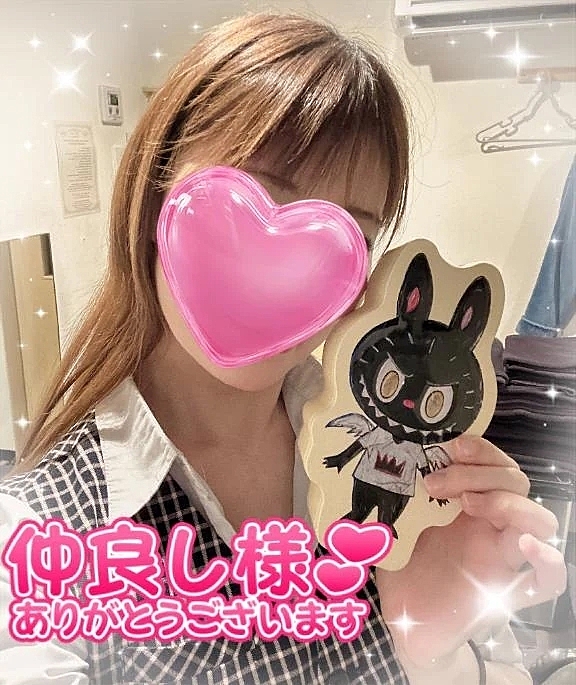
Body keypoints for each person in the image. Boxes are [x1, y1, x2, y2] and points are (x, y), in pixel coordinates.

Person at [0, 13, 566, 685]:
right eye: (256, 192)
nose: (289, 272)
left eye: (348, 233)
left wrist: (428, 651)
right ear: (154, 202)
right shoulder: (40, 535)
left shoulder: (407, 481)